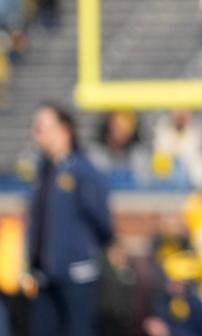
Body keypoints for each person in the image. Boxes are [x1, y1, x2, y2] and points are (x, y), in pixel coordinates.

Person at [23, 103, 113, 336]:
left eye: (41, 128)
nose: (36, 134)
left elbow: (102, 221)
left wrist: (81, 251)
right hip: (45, 275)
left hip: (76, 277)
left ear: (63, 130)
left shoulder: (82, 170)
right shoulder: (43, 171)